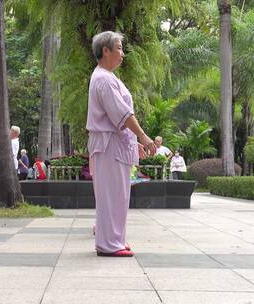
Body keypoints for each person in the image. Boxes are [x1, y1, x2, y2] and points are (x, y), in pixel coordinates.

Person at [87, 31, 156, 257]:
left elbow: (119, 118)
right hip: (108, 146)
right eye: (118, 48)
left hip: (114, 144)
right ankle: (108, 244)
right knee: (111, 195)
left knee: (118, 195)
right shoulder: (103, 79)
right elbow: (123, 114)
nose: (122, 54)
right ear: (105, 51)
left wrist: (135, 142)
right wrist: (144, 137)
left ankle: (115, 239)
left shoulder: (107, 77)